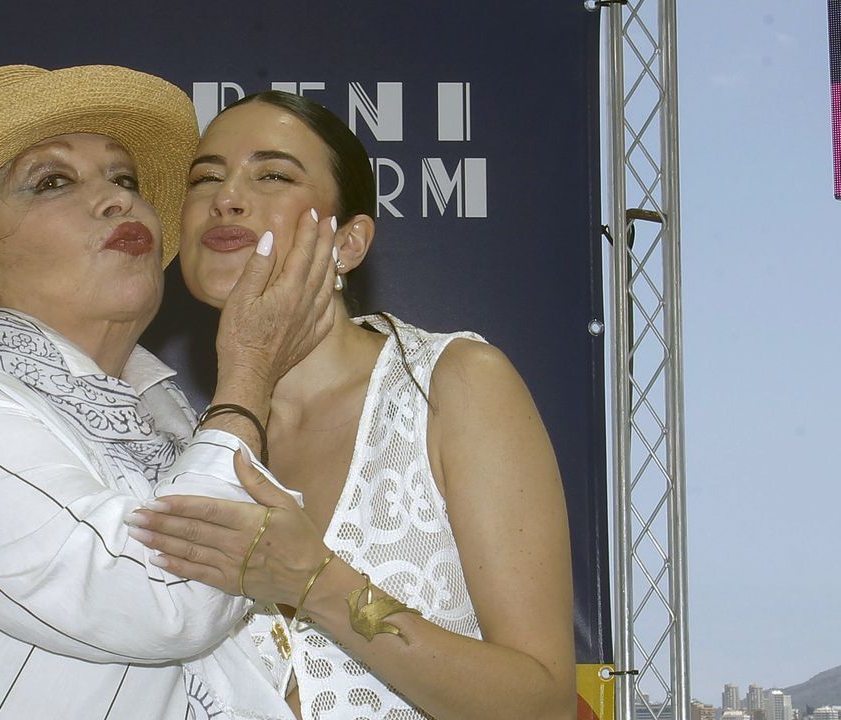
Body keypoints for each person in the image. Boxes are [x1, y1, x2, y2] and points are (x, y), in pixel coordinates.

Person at [0, 67, 337, 720]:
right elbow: (167, 599)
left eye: (124, 179)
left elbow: (233, 672)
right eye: (53, 182)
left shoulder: (171, 427)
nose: (117, 201)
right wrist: (246, 374)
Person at [127, 91, 576, 720]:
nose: (225, 197)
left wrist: (317, 581)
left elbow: (544, 703)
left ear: (349, 241)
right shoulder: (182, 446)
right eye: (206, 178)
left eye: (273, 174)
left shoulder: (451, 385)